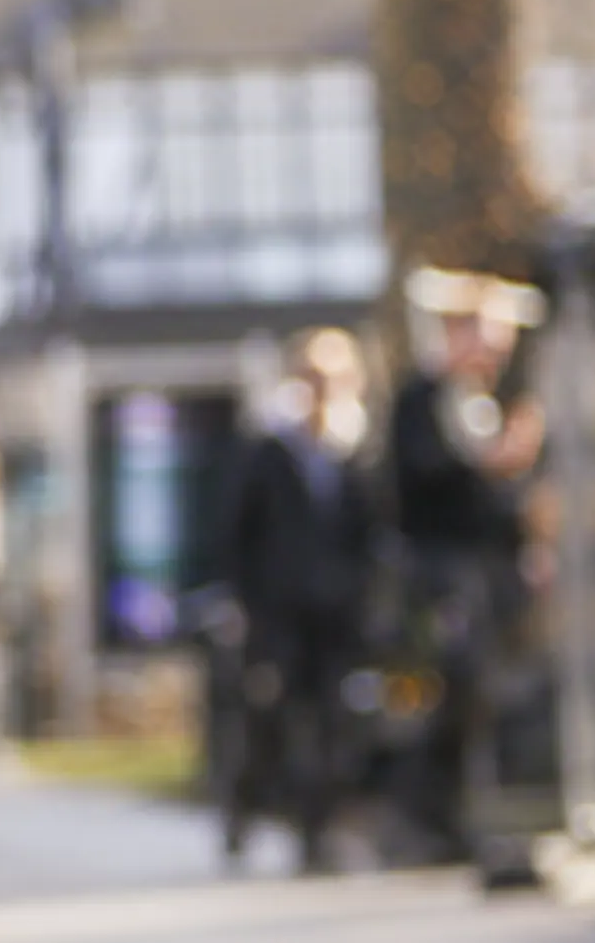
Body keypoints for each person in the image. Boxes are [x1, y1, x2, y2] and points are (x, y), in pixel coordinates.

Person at [386, 274, 542, 863]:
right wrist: (493, 462)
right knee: (453, 686)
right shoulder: (422, 399)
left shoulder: (477, 403)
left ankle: (456, 816)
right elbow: (428, 479)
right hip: (440, 575)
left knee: (481, 695)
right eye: (489, 343)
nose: (496, 359)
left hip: (482, 576)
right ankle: (422, 813)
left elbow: (492, 505)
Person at [218, 328, 377, 871]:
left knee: (332, 721)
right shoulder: (268, 449)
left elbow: (368, 534)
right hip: (278, 613)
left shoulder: (354, 451)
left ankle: (317, 830)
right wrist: (246, 607)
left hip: (335, 614)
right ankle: (244, 805)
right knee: (273, 721)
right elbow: (237, 533)